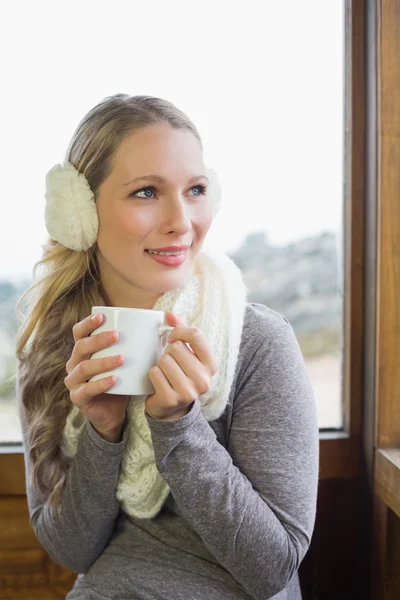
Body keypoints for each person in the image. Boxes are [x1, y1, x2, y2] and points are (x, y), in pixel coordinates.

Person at [16, 93, 319, 600]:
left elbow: (273, 567)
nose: (182, 220)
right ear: (81, 215)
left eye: (195, 189)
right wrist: (102, 431)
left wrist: (179, 424)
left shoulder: (260, 343)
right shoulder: (52, 349)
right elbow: (72, 550)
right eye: (146, 192)